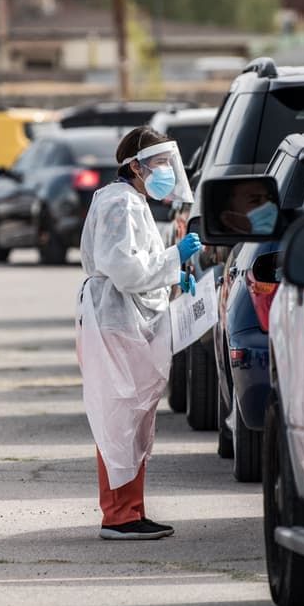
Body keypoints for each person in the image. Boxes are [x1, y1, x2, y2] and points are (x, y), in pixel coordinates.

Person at [76, 126, 201, 540]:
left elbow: (139, 266)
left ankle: (130, 511)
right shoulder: (121, 204)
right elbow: (127, 271)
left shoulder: (131, 201)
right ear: (134, 166)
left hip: (127, 319)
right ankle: (119, 516)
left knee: (133, 418)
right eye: (159, 163)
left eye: (168, 163)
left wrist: (173, 275)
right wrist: (173, 258)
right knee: (120, 417)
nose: (166, 171)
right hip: (115, 321)